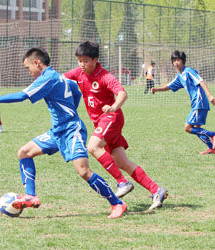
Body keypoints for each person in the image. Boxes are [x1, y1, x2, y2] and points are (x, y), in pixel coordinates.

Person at [0, 47, 127, 219]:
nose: (29, 72)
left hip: (71, 130)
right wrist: (70, 109)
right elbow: (76, 91)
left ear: (37, 63)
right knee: (24, 152)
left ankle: (117, 203)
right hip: (57, 131)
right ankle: (30, 195)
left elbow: (22, 96)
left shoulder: (47, 78)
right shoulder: (59, 77)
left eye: (28, 68)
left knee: (83, 171)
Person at [64, 41, 168, 210]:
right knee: (122, 161)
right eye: (79, 60)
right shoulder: (78, 73)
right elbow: (60, 79)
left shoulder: (105, 76)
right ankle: (156, 189)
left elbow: (122, 93)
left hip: (111, 117)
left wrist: (114, 106)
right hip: (102, 123)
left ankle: (122, 182)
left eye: (85, 60)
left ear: (95, 60)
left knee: (92, 146)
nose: (81, 64)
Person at [151, 50, 215, 155]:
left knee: (188, 128)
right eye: (174, 60)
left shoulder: (188, 71)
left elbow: (200, 81)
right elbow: (169, 86)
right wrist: (156, 89)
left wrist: (210, 95)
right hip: (197, 103)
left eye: (178, 60)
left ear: (183, 61)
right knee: (197, 129)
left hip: (200, 101)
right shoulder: (179, 76)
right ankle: (212, 148)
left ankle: (212, 134)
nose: (176, 62)